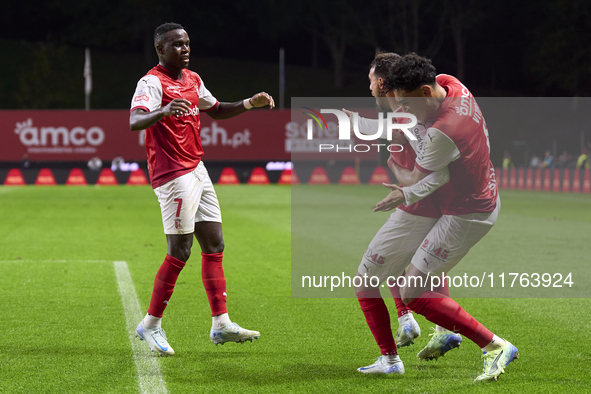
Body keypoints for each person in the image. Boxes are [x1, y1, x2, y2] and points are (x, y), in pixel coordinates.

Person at [129, 22, 275, 356]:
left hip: (197, 168)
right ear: (160, 50)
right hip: (172, 176)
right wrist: (163, 110)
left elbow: (217, 109)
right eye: (177, 45)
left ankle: (221, 324)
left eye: (187, 43)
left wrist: (249, 103)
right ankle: (150, 325)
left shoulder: (193, 79)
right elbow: (135, 120)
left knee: (214, 242)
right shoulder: (152, 82)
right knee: (179, 251)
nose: (185, 49)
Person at [372, 53, 518, 382]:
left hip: (467, 213)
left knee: (412, 292)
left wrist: (394, 163)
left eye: (407, 104)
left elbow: (415, 179)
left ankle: (495, 346)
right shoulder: (451, 83)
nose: (403, 112)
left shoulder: (446, 131)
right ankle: (444, 332)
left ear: (425, 92)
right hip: (476, 194)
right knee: (419, 268)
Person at [342, 53, 457, 375]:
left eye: (370, 81)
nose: (368, 87)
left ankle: (403, 345)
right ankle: (419, 324)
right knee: (407, 264)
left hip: (418, 203)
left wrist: (406, 183)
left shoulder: (405, 110)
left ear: (381, 82)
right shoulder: (406, 109)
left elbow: (425, 154)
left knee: (374, 274)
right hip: (424, 201)